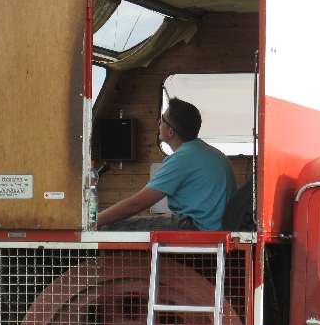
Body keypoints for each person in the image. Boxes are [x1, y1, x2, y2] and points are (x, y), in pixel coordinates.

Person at [97, 98, 237, 231]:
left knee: (108, 227)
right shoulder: (210, 153)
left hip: (198, 232)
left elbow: (136, 204)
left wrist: (93, 221)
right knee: (107, 214)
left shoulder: (181, 159)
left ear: (171, 131)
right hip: (215, 230)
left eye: (162, 120)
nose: (159, 123)